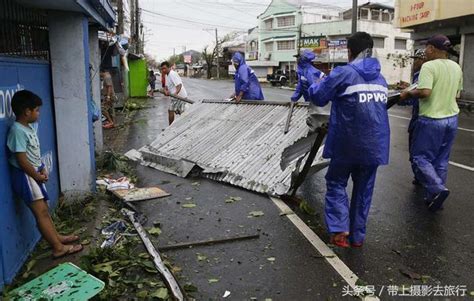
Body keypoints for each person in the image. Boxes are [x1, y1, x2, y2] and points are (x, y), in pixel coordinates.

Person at [308, 32, 390, 248]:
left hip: (347, 143)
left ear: (349, 51)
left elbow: (318, 96)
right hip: (375, 146)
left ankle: (338, 229)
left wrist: (318, 81)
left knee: (336, 182)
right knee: (364, 190)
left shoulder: (343, 73)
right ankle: (357, 238)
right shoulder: (381, 78)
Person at [7, 90, 83, 259]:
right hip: (26, 177)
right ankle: (57, 247)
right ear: (27, 111)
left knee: (44, 211)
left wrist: (41, 168)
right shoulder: (17, 130)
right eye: (37, 110)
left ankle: (57, 238)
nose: (39, 113)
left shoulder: (27, 128)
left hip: (33, 175)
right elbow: (21, 159)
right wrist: (35, 175)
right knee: (40, 212)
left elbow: (32, 154)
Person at [400, 35, 462, 212]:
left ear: (433, 49)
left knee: (420, 157)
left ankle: (437, 188)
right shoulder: (456, 66)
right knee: (441, 160)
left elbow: (425, 92)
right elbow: (457, 94)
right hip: (452, 118)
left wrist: (407, 93)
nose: (425, 52)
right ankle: (434, 199)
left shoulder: (429, 66)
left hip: (432, 120)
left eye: (426, 48)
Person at [398, 49, 426, 185]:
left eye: (417, 59)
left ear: (423, 60)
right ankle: (420, 176)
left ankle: (421, 177)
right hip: (420, 116)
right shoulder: (417, 75)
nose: (414, 62)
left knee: (416, 149)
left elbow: (418, 96)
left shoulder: (423, 74)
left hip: (420, 117)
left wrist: (405, 95)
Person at [291, 49, 326, 132]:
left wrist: (312, 104)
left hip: (319, 105)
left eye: (298, 58)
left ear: (302, 59)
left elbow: (316, 90)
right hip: (312, 104)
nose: (296, 60)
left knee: (317, 126)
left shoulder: (311, 73)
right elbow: (300, 87)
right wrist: (293, 99)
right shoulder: (302, 71)